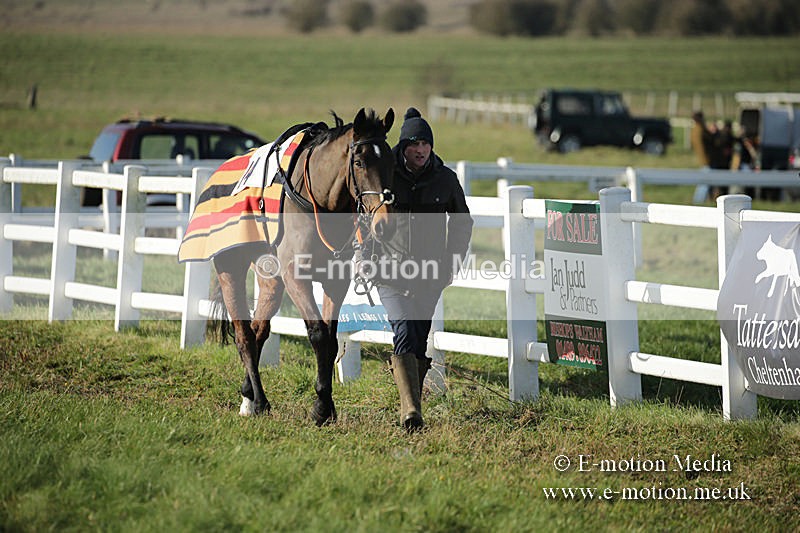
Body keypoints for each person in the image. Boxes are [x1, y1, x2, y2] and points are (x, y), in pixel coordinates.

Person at [367, 107, 473, 431]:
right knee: (403, 331)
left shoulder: (446, 179)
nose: (421, 150)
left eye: (426, 143)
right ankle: (410, 413)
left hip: (429, 275)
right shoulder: (385, 176)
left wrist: (451, 262)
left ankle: (412, 403)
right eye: (414, 144)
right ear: (403, 146)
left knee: (418, 340)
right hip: (389, 273)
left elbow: (461, 224)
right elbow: (365, 212)